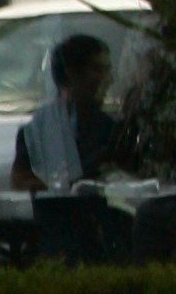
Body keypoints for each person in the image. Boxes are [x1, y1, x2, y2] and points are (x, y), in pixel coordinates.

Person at [12, 31, 121, 189]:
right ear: (72, 73)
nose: (108, 79)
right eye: (98, 69)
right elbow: (21, 181)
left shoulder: (112, 130)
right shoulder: (35, 132)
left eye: (107, 70)